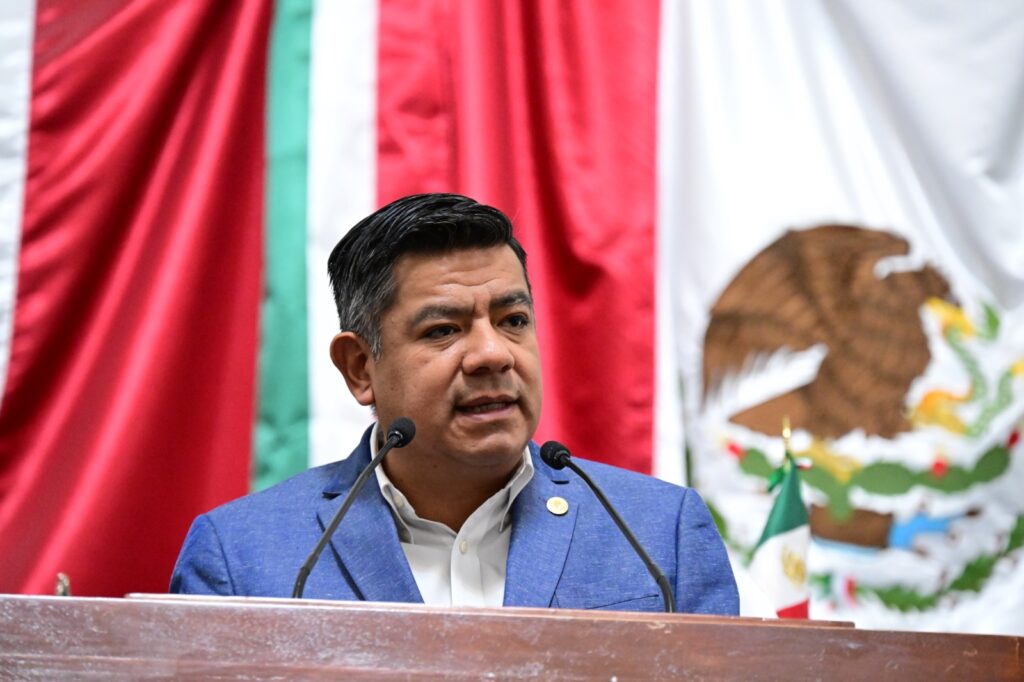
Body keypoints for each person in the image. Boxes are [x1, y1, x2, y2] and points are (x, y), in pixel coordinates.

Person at [170, 193, 738, 614]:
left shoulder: (658, 533)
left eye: (513, 320)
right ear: (361, 368)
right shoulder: (240, 557)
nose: (493, 354)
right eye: (443, 330)